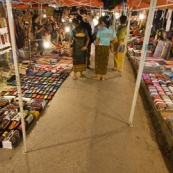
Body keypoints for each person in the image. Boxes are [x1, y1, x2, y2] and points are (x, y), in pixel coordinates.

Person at [94, 16, 117, 81]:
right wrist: (110, 41)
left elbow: (97, 41)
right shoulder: (112, 30)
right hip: (107, 47)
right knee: (105, 62)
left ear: (103, 22)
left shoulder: (100, 30)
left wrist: (98, 43)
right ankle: (103, 77)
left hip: (100, 47)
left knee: (99, 62)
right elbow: (116, 40)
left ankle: (98, 76)